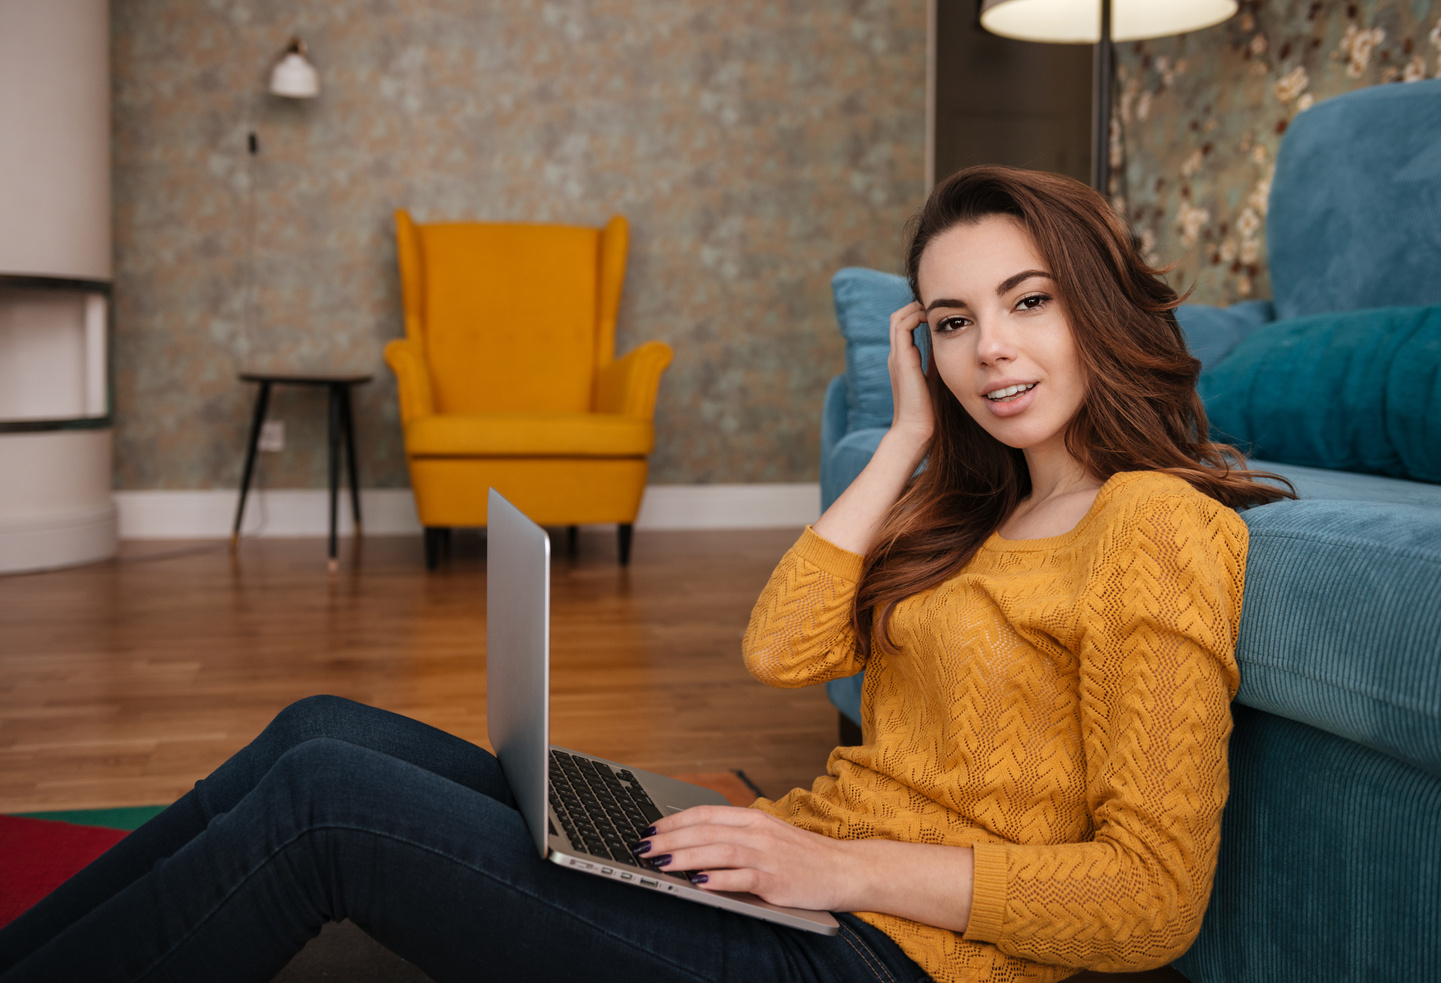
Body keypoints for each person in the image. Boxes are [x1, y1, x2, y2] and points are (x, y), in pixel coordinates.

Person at [0, 165, 1290, 983]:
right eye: (952, 322)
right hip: (793, 878)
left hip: (872, 957)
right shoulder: (978, 508)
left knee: (328, 804)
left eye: (1028, 301)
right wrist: (905, 439)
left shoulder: (1154, 527)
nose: (990, 349)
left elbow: (1152, 899)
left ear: (1097, 304)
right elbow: (782, 650)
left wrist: (836, 873)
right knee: (319, 728)